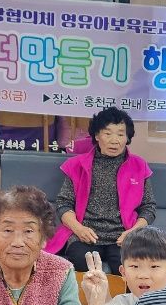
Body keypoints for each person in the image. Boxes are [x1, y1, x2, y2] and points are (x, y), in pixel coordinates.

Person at [47, 107, 156, 275]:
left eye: (120, 134)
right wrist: (78, 229)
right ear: (97, 136)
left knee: (129, 268)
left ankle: (121, 302)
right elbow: (63, 204)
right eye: (108, 133)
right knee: (82, 262)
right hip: (85, 234)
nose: (114, 140)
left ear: (127, 138)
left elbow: (148, 208)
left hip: (122, 236)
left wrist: (133, 232)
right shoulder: (77, 165)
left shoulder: (139, 166)